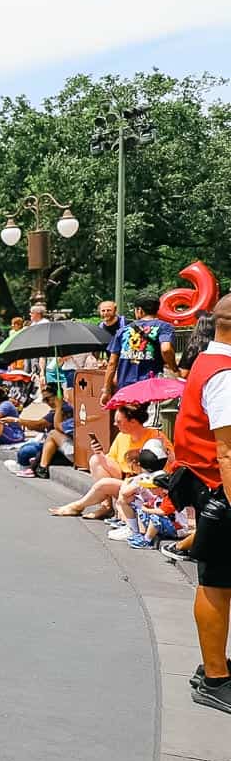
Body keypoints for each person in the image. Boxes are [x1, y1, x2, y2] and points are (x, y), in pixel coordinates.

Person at [171, 298, 231, 713]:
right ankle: (214, 677)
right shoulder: (224, 373)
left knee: (221, 579)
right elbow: (227, 450)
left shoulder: (207, 359)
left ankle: (214, 666)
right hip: (218, 486)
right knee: (216, 580)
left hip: (203, 481)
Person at [49, 404, 161, 517]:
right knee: (95, 460)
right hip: (127, 481)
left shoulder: (155, 437)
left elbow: (162, 469)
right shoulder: (122, 437)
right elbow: (115, 470)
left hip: (145, 485)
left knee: (104, 483)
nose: (115, 424)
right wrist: (100, 454)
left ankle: (77, 506)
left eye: (119, 421)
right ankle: (106, 506)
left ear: (133, 422)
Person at [105, 292, 178, 399]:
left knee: (125, 415)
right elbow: (166, 349)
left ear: (139, 310)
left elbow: (112, 363)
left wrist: (106, 390)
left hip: (125, 387)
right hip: (150, 387)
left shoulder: (123, 330)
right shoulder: (164, 327)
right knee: (147, 415)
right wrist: (174, 368)